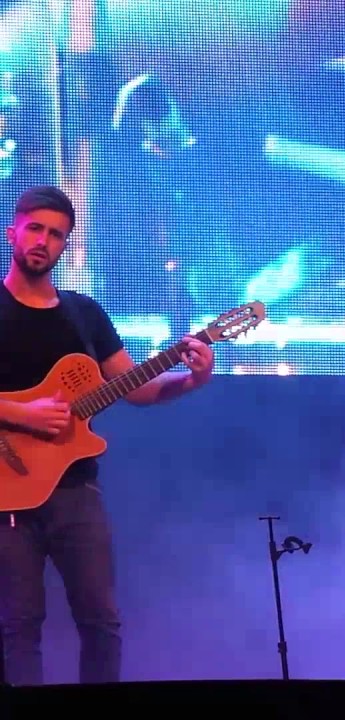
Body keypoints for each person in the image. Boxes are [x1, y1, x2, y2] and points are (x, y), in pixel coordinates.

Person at [0, 185, 216, 685]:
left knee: (101, 623)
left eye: (56, 235)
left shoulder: (84, 314)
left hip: (77, 491)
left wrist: (192, 378)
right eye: (35, 228)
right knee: (18, 628)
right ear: (12, 231)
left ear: (66, 246)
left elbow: (133, 388)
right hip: (8, 493)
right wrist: (22, 415)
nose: (43, 241)